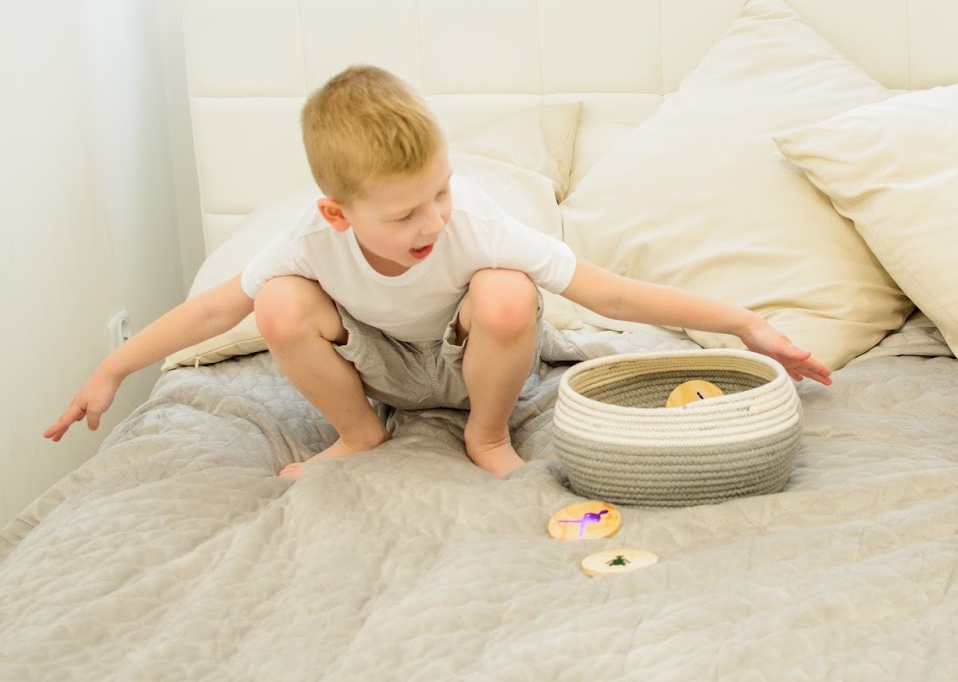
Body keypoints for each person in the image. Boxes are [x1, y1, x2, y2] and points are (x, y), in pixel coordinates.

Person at [45, 65, 831, 479]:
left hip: (472, 364)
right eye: (404, 215)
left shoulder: (473, 223)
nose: (432, 223)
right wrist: (114, 369)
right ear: (337, 214)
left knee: (505, 289)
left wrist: (744, 325)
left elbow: (611, 292)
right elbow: (216, 312)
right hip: (381, 371)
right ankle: (360, 434)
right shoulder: (309, 241)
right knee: (278, 304)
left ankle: (485, 436)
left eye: (441, 193)